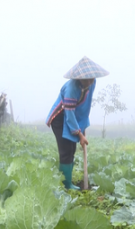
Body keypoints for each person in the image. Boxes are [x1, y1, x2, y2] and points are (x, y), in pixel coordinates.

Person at [46, 56, 109, 190]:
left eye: (92, 78)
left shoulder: (92, 83)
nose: (90, 81)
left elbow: (86, 104)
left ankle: (68, 181)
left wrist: (83, 122)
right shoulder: (71, 88)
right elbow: (69, 114)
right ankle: (66, 185)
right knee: (66, 150)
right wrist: (80, 135)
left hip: (72, 115)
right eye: (87, 79)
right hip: (60, 117)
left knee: (72, 149)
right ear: (79, 78)